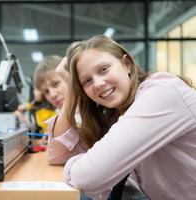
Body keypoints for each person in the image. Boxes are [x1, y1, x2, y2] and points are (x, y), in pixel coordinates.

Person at [49, 35, 196, 199]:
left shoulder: (161, 93)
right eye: (87, 81)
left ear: (127, 64)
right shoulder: (115, 112)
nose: (98, 84)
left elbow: (89, 178)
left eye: (104, 69)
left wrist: (86, 163)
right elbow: (57, 156)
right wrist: (72, 90)